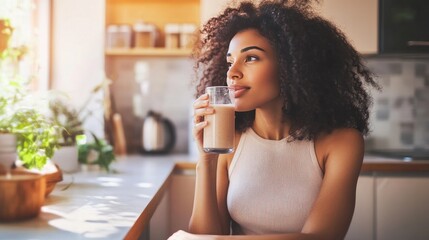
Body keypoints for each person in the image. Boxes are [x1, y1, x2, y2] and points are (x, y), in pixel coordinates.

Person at [169, 0, 379, 239]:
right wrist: (206, 161)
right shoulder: (229, 141)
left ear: (292, 66)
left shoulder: (341, 143)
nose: (232, 72)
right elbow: (205, 234)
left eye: (251, 58)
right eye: (230, 61)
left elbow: (322, 237)